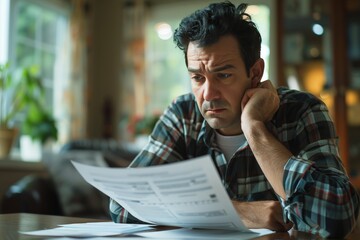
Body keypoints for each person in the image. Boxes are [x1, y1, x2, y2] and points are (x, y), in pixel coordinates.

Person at [110, 1, 359, 238]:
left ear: (255, 73)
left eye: (224, 75)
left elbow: (337, 216)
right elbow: (122, 204)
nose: (208, 94)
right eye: (197, 78)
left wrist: (254, 128)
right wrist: (240, 212)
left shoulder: (302, 111)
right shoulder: (183, 114)